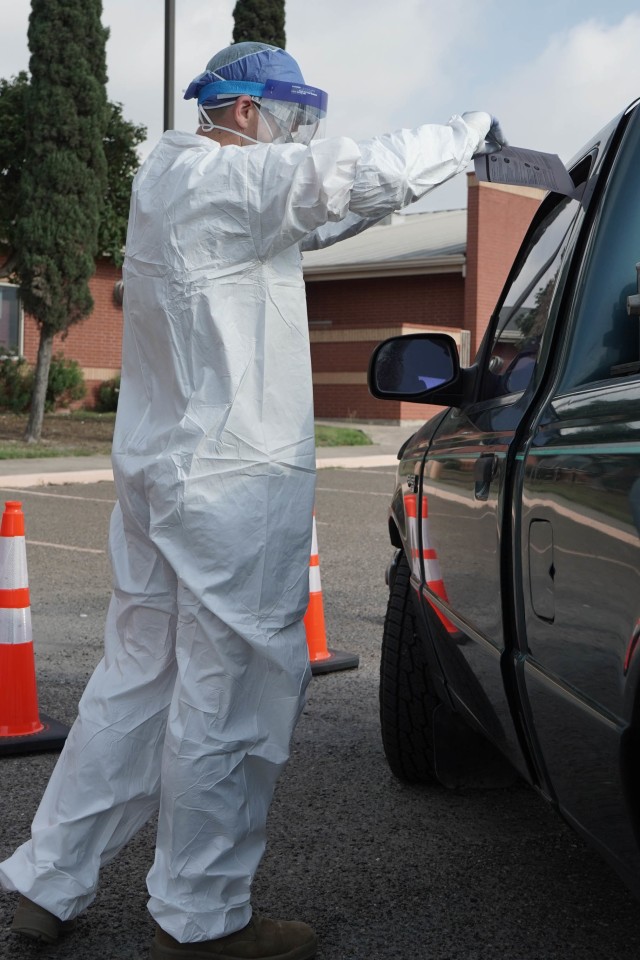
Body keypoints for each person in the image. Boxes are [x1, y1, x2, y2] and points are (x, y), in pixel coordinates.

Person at [0, 41, 506, 960]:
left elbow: (314, 219)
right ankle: (201, 917)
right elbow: (352, 175)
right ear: (240, 111)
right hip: (230, 486)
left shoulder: (169, 184)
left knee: (136, 680)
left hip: (161, 478)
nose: (293, 135)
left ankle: (48, 881)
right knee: (228, 697)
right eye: (286, 117)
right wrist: (468, 138)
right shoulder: (224, 185)